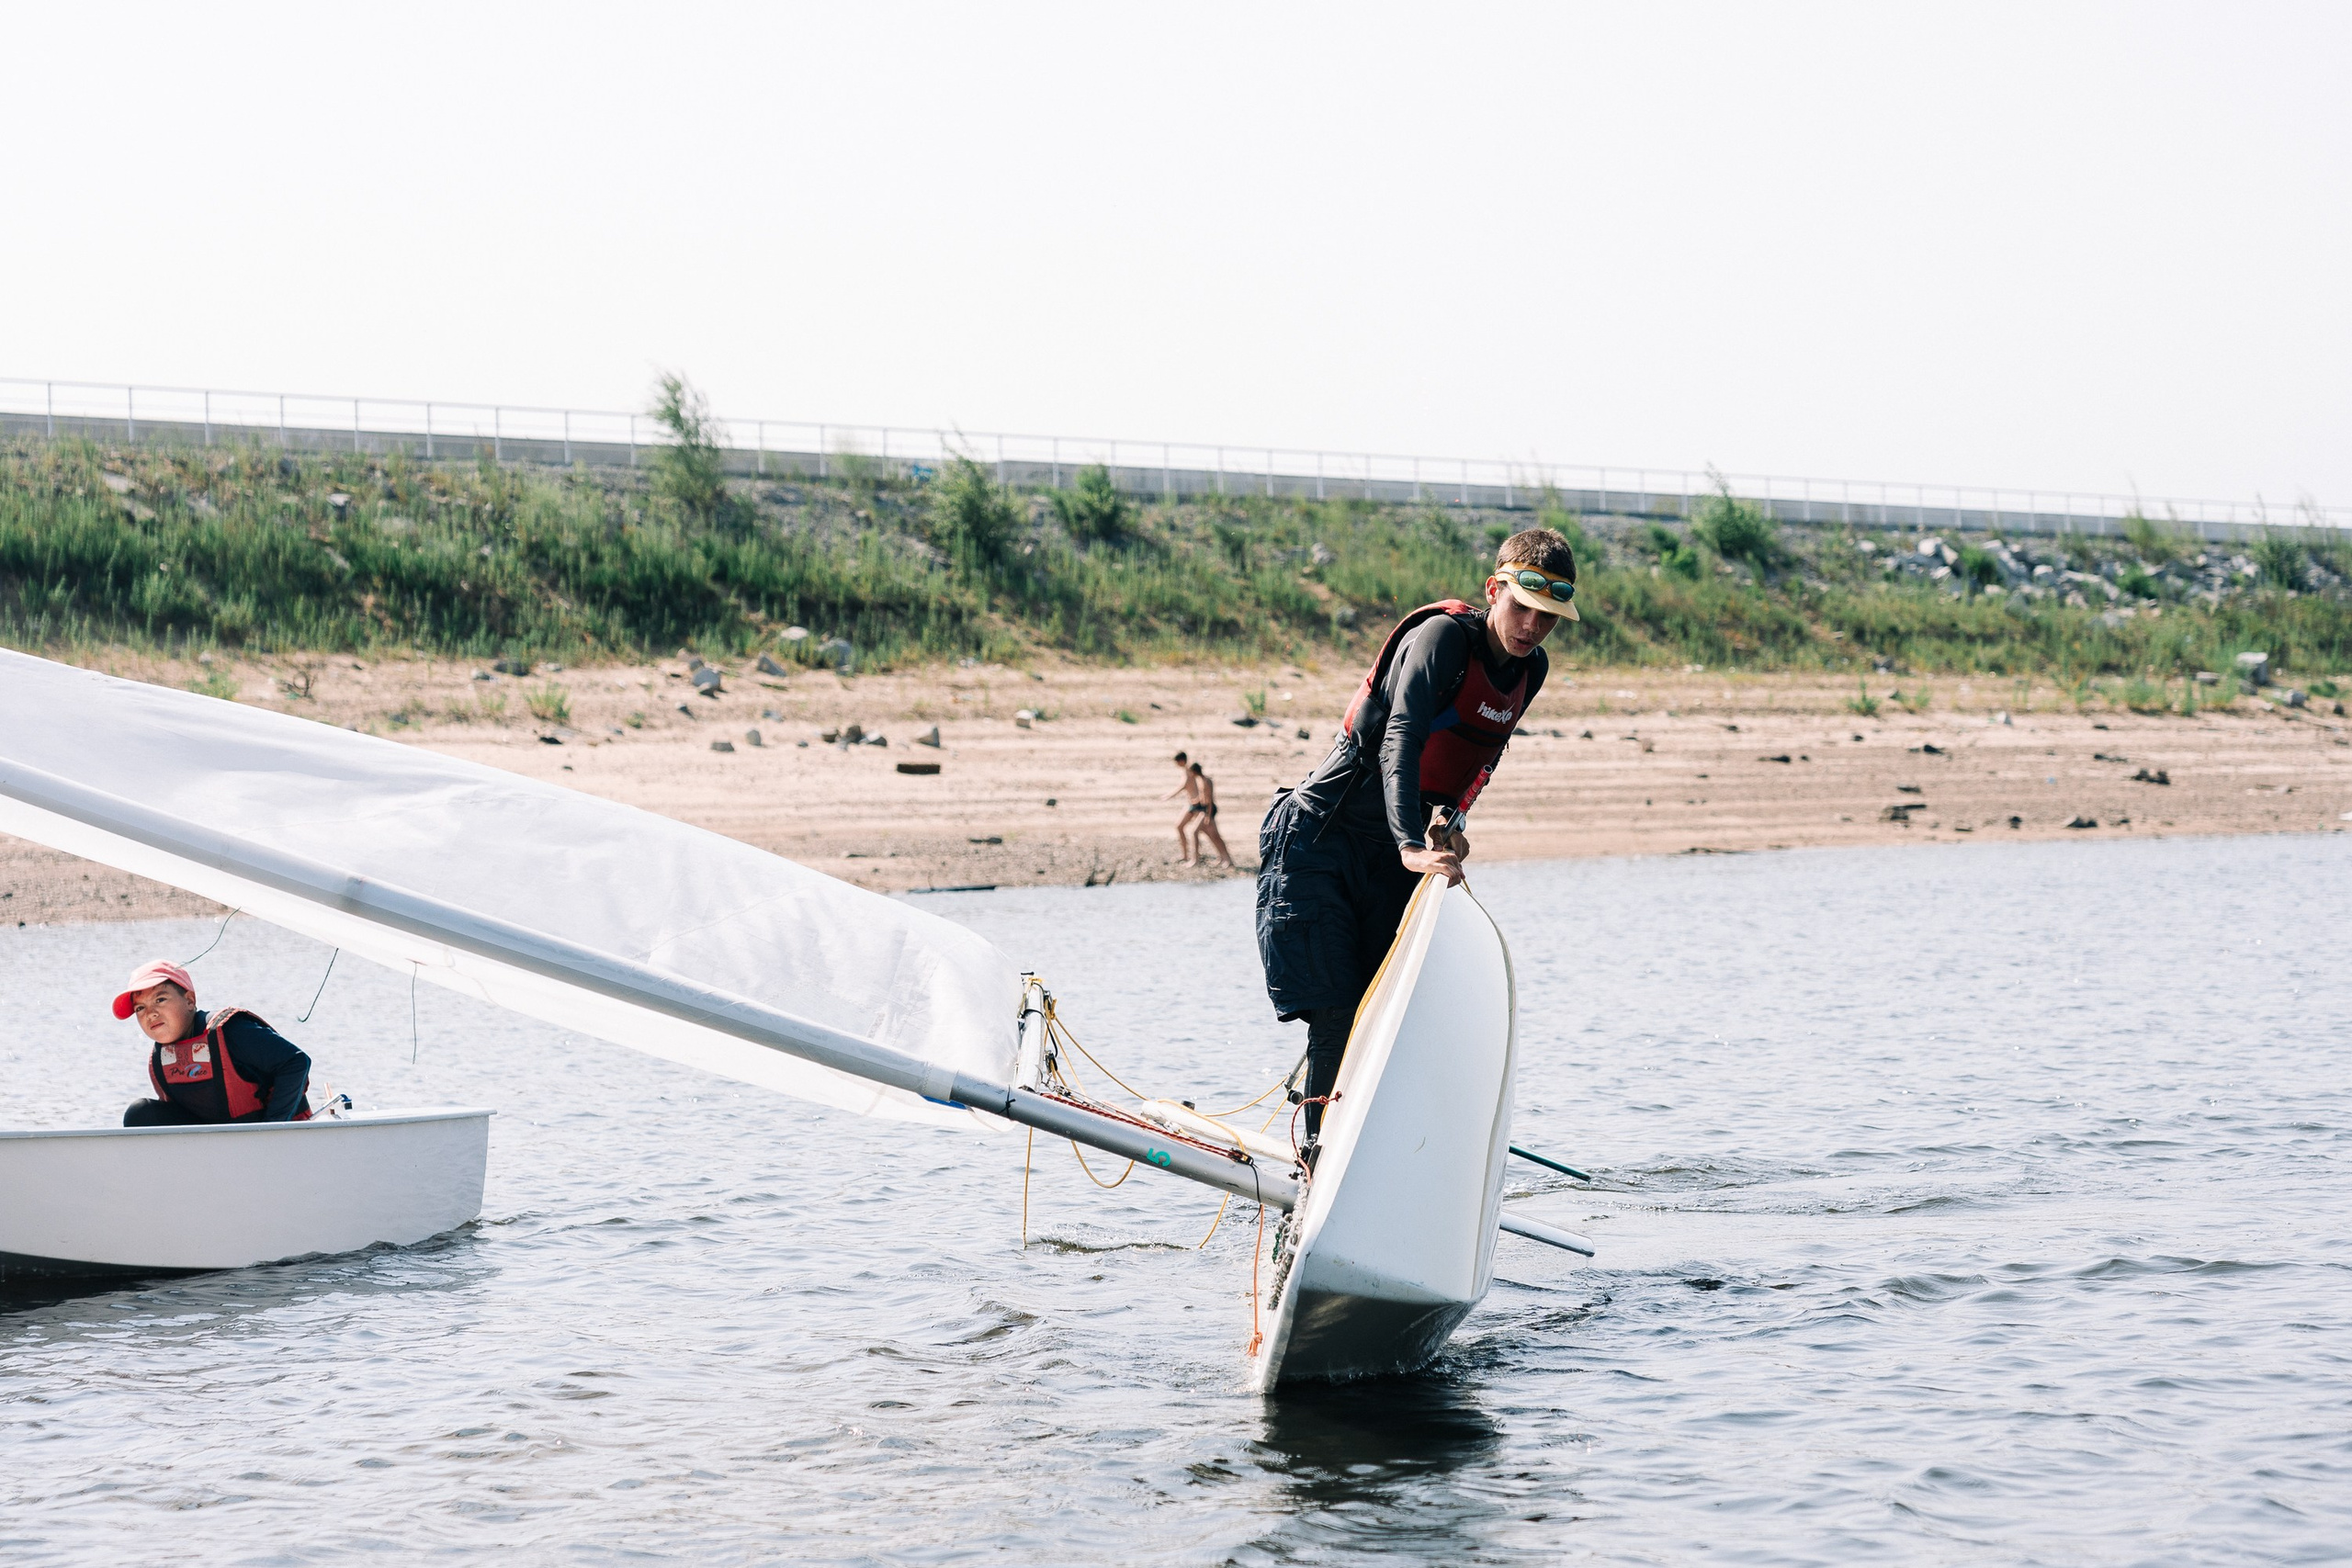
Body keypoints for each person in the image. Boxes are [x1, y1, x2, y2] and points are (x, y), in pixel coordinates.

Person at [1254, 527, 1578, 1144]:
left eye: (1548, 618)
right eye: (1523, 608)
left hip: (1388, 855)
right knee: (1337, 1012)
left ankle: (1353, 1142)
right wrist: (1411, 842)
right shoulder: (1440, 639)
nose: (1533, 627)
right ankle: (1316, 1156)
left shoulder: (1529, 670)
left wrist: (1451, 821)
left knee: (1383, 1011)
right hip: (1318, 838)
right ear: (1494, 590)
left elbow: (1485, 754)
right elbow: (1401, 737)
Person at [114, 959, 313, 1126]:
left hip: (269, 1138)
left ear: (190, 1000)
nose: (150, 1014)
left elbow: (296, 1062)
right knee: (140, 1113)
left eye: (160, 1000)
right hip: (218, 1147)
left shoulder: (231, 1031)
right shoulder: (159, 1059)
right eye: (140, 1008)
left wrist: (271, 1129)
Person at [1186, 761, 1237, 869]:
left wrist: (1208, 816)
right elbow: (1202, 796)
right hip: (1204, 809)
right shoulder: (1200, 780)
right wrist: (1195, 801)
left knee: (1196, 832)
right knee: (1213, 835)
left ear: (1194, 771)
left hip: (1208, 810)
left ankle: (1196, 860)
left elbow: (1209, 799)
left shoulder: (1206, 781)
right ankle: (1224, 858)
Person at [1163, 751, 1203, 863]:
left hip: (1196, 805)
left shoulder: (1189, 770)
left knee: (1198, 830)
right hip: (1191, 804)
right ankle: (1187, 855)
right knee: (1182, 827)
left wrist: (1169, 796)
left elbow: (1183, 786)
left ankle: (1192, 856)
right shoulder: (1187, 770)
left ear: (1181, 761)